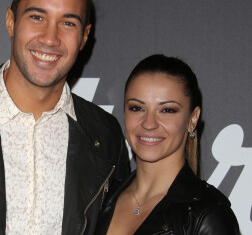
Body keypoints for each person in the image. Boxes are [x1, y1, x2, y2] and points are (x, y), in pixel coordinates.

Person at [0, 0, 129, 235]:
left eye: (68, 23)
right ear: (11, 20)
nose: (50, 38)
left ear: (84, 37)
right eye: (37, 17)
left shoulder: (105, 137)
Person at [96, 54, 240, 234]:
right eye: (137, 108)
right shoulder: (99, 199)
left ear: (192, 119)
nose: (149, 123)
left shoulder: (207, 216)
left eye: (167, 110)